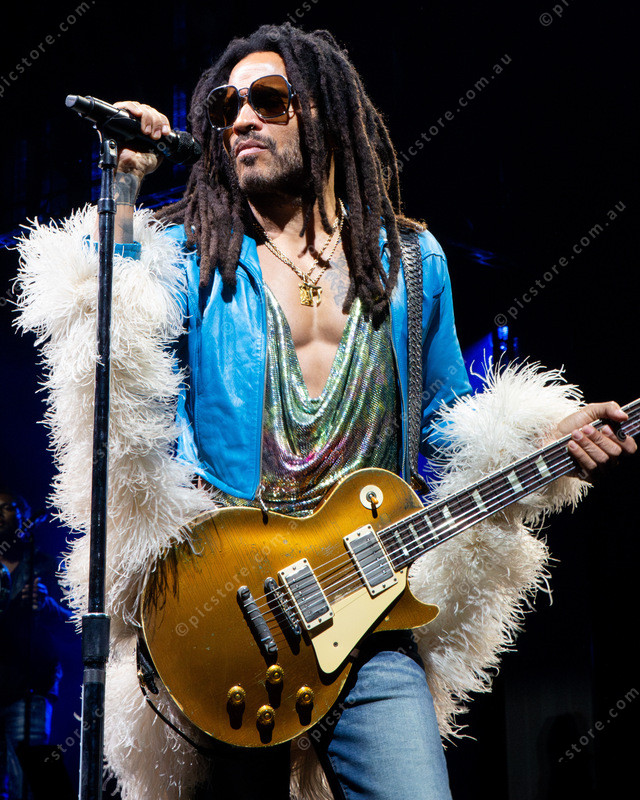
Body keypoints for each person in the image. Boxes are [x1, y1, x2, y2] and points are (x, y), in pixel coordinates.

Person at [14, 23, 636, 800]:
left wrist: (545, 436)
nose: (242, 119)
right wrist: (126, 193)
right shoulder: (195, 254)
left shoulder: (410, 261)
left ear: (326, 117)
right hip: (230, 612)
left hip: (368, 609)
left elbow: (452, 425)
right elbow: (113, 362)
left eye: (269, 100)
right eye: (226, 107)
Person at [0, 488, 71, 800]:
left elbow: (75, 626)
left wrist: (46, 607)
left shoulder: (47, 566)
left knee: (28, 786)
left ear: (24, 516)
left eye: (7, 507)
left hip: (30, 691)